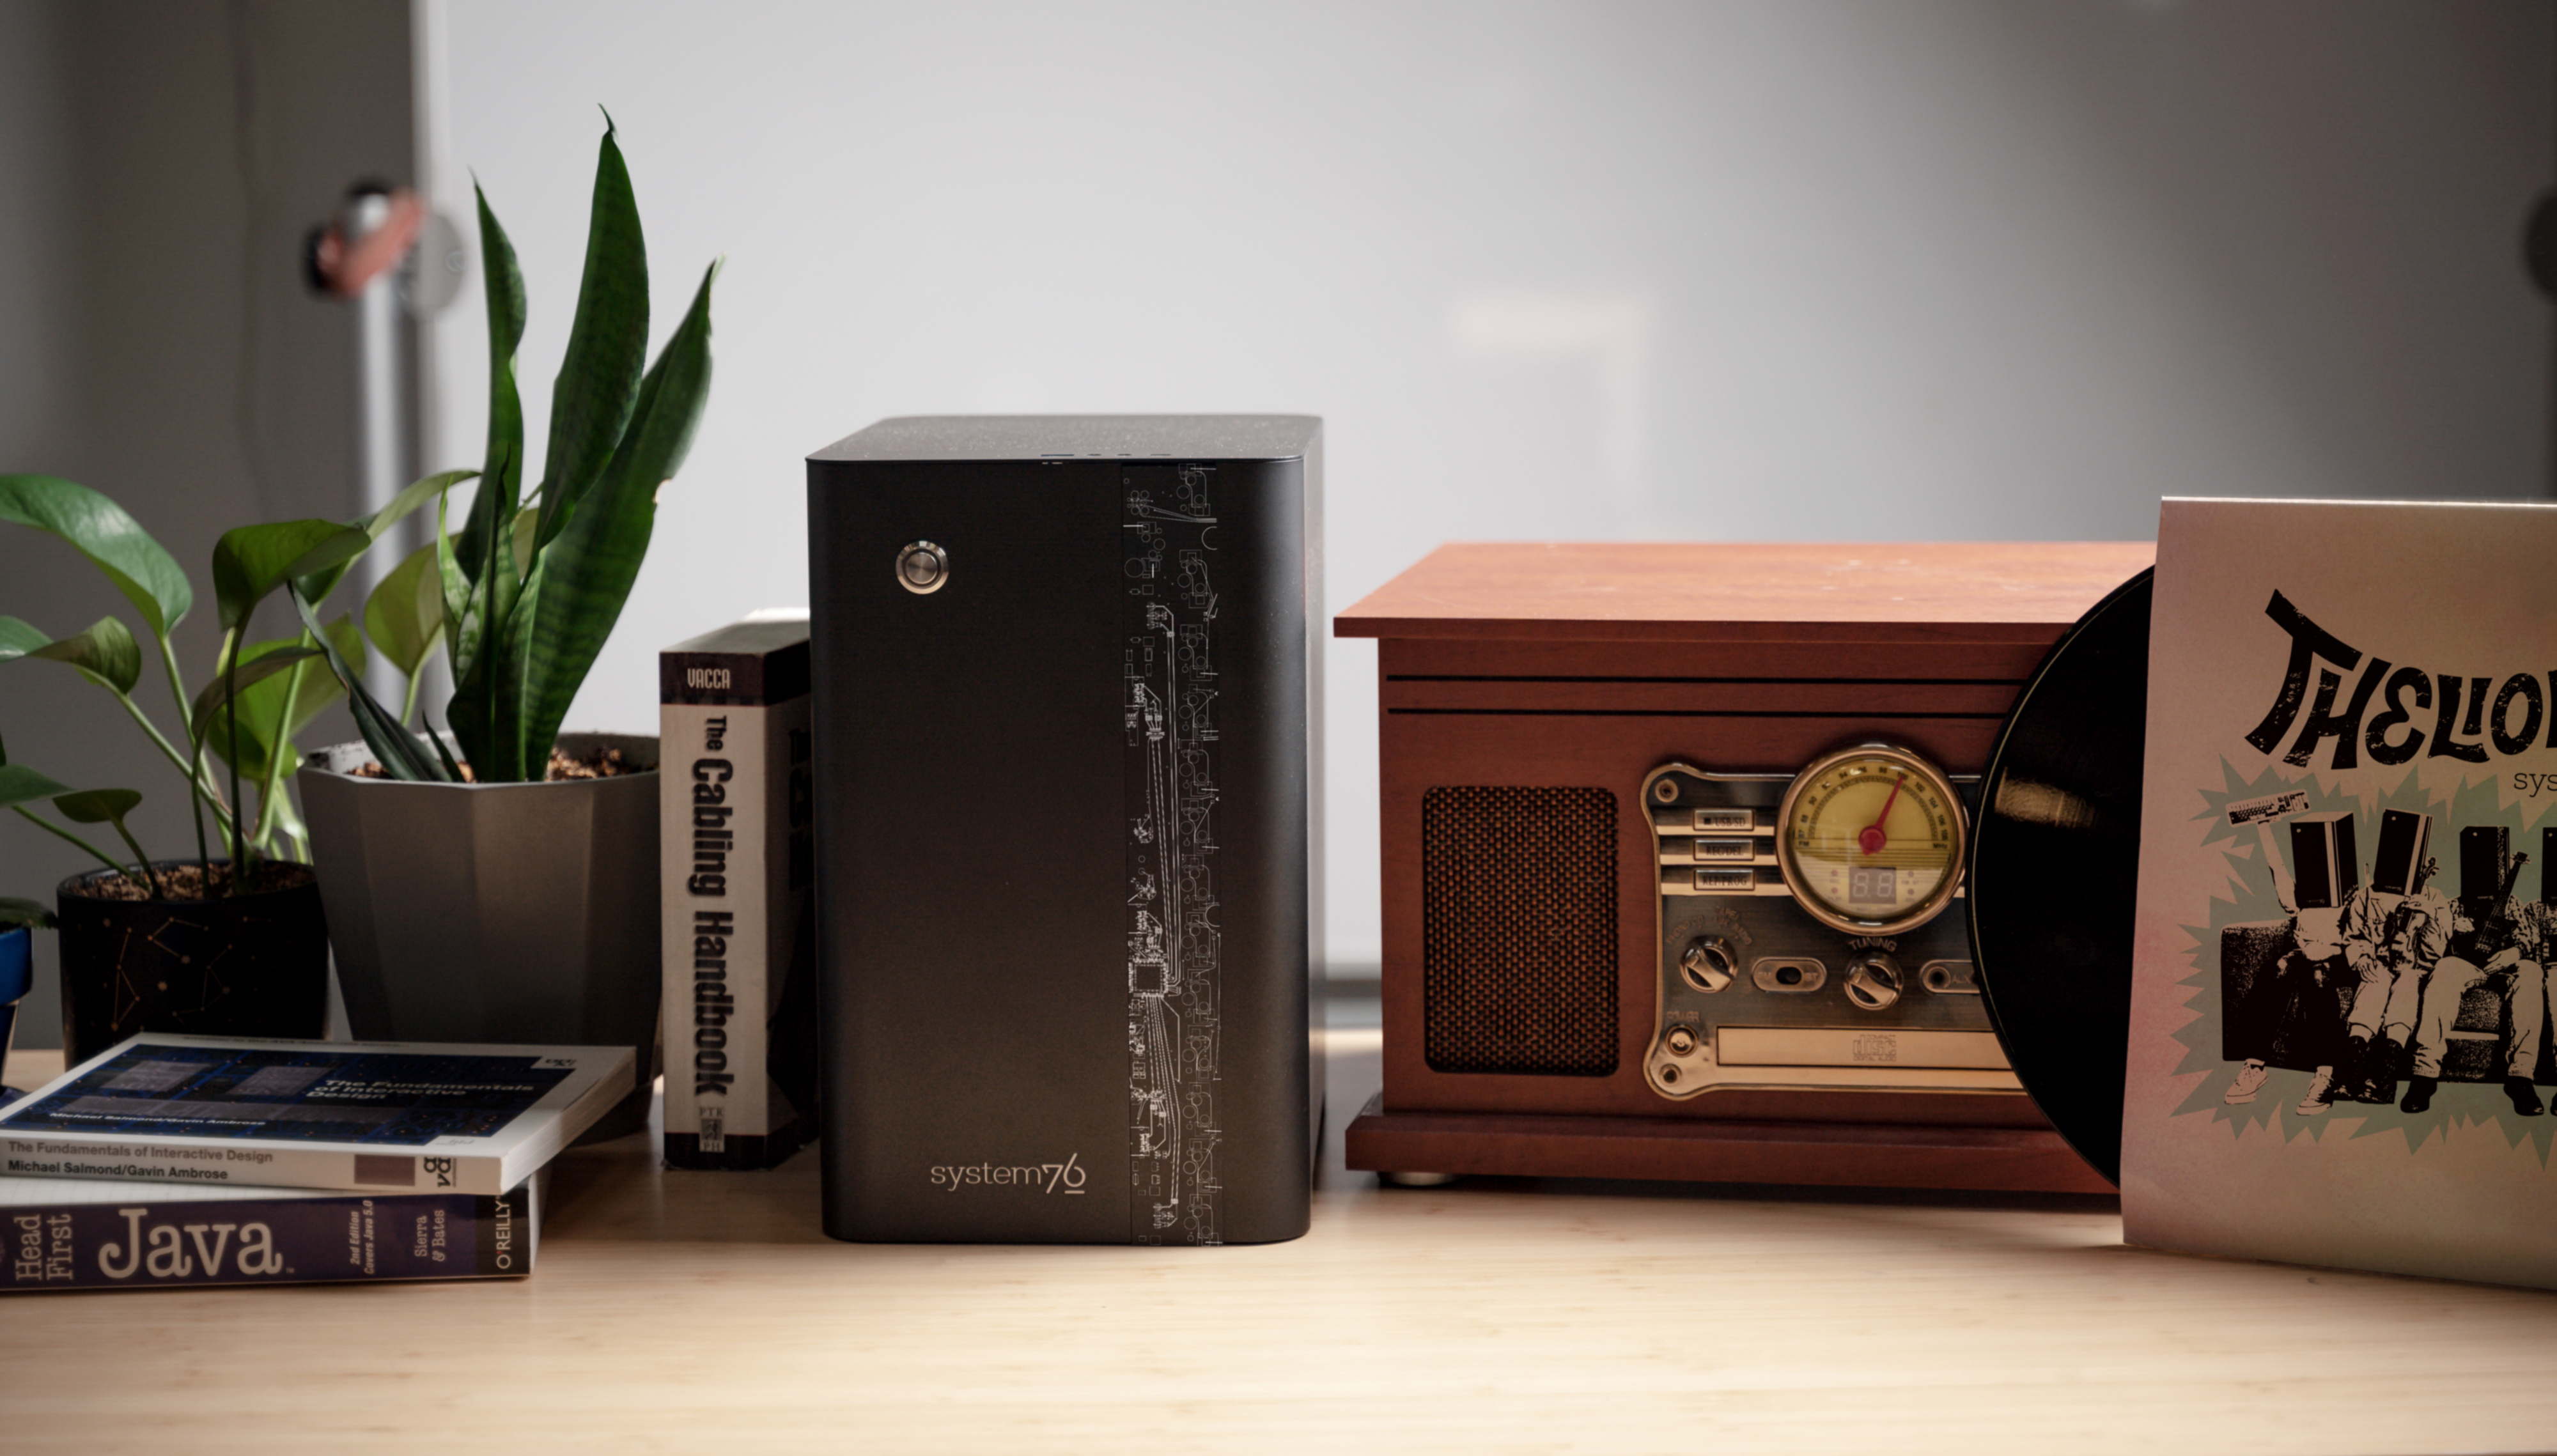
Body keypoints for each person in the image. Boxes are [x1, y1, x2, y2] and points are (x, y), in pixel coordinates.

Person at [2222, 846, 2353, 1116]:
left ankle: (2326, 1075)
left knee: (2318, 975)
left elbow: (2362, 939)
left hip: (2338, 957)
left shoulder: (2352, 898)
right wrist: (2264, 826)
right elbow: (2278, 870)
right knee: (2279, 968)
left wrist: (2329, 950)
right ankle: (2254, 1066)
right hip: (2303, 955)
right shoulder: (2302, 897)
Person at [2400, 885, 2549, 1117]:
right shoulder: (2452, 905)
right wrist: (2451, 929)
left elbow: (2527, 937)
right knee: (2444, 968)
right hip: (2466, 965)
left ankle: (2521, 1076)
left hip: (2506, 965)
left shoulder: (2512, 902)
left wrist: (2514, 952)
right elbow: (2436, 951)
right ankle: (2424, 1075)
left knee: (2531, 972)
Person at [2336, 856, 2448, 1106]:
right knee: (2372, 986)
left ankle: (2382, 1079)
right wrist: (2362, 957)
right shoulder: (2366, 895)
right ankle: (2350, 1073)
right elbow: (2353, 936)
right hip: (2380, 963)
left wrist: (2429, 914)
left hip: (2415, 968)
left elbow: (2436, 952)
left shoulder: (2435, 897)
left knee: (2406, 990)